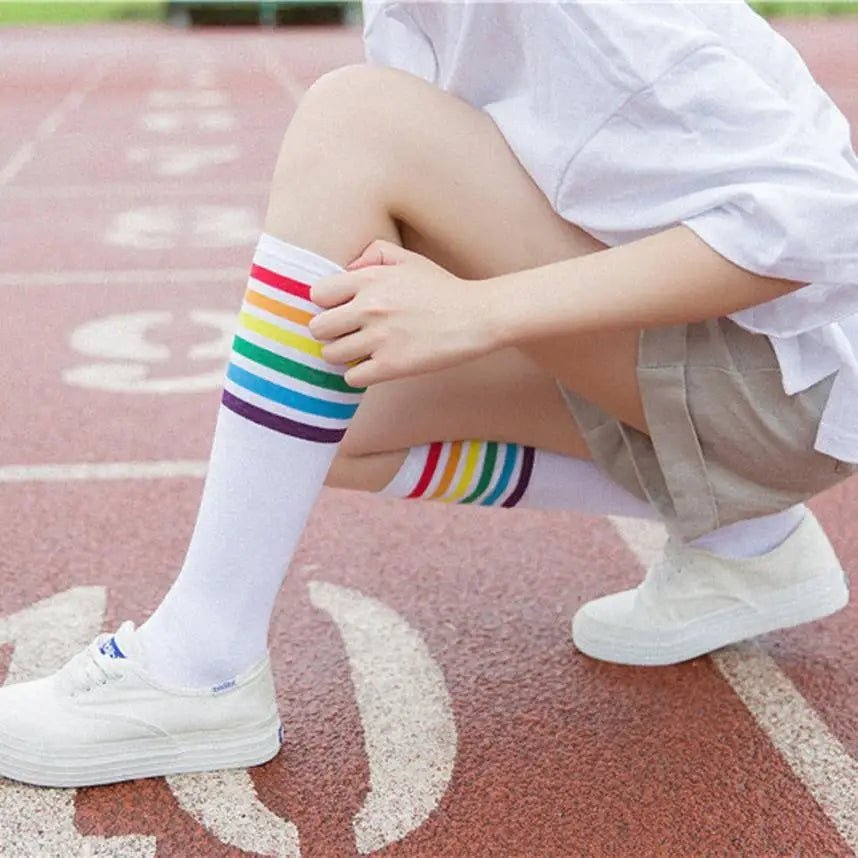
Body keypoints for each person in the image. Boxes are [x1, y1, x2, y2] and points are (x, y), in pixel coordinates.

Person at [1, 0, 857, 789]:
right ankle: (747, 535)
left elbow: (820, 219)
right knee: (328, 420)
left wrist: (484, 310)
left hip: (794, 383)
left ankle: (200, 664)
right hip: (733, 370)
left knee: (358, 121)